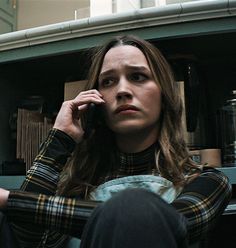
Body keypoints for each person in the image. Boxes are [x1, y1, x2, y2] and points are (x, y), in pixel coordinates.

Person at [0, 35, 232, 248]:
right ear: (96, 102)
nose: (122, 90)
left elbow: (146, 220)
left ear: (164, 96)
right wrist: (60, 138)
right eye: (108, 82)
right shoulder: (74, 189)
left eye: (138, 76)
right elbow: (25, 236)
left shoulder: (209, 181)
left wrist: (9, 200)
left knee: (133, 205)